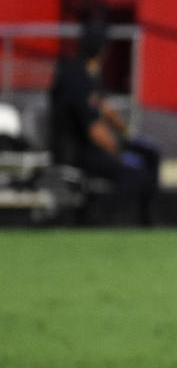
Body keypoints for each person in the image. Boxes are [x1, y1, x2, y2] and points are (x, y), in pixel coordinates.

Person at [48, 24, 161, 225]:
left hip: (89, 145)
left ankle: (145, 219)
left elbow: (104, 108)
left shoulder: (88, 73)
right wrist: (118, 153)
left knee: (150, 154)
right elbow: (93, 130)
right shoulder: (77, 79)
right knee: (136, 176)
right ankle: (105, 220)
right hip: (77, 151)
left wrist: (126, 134)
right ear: (102, 49)